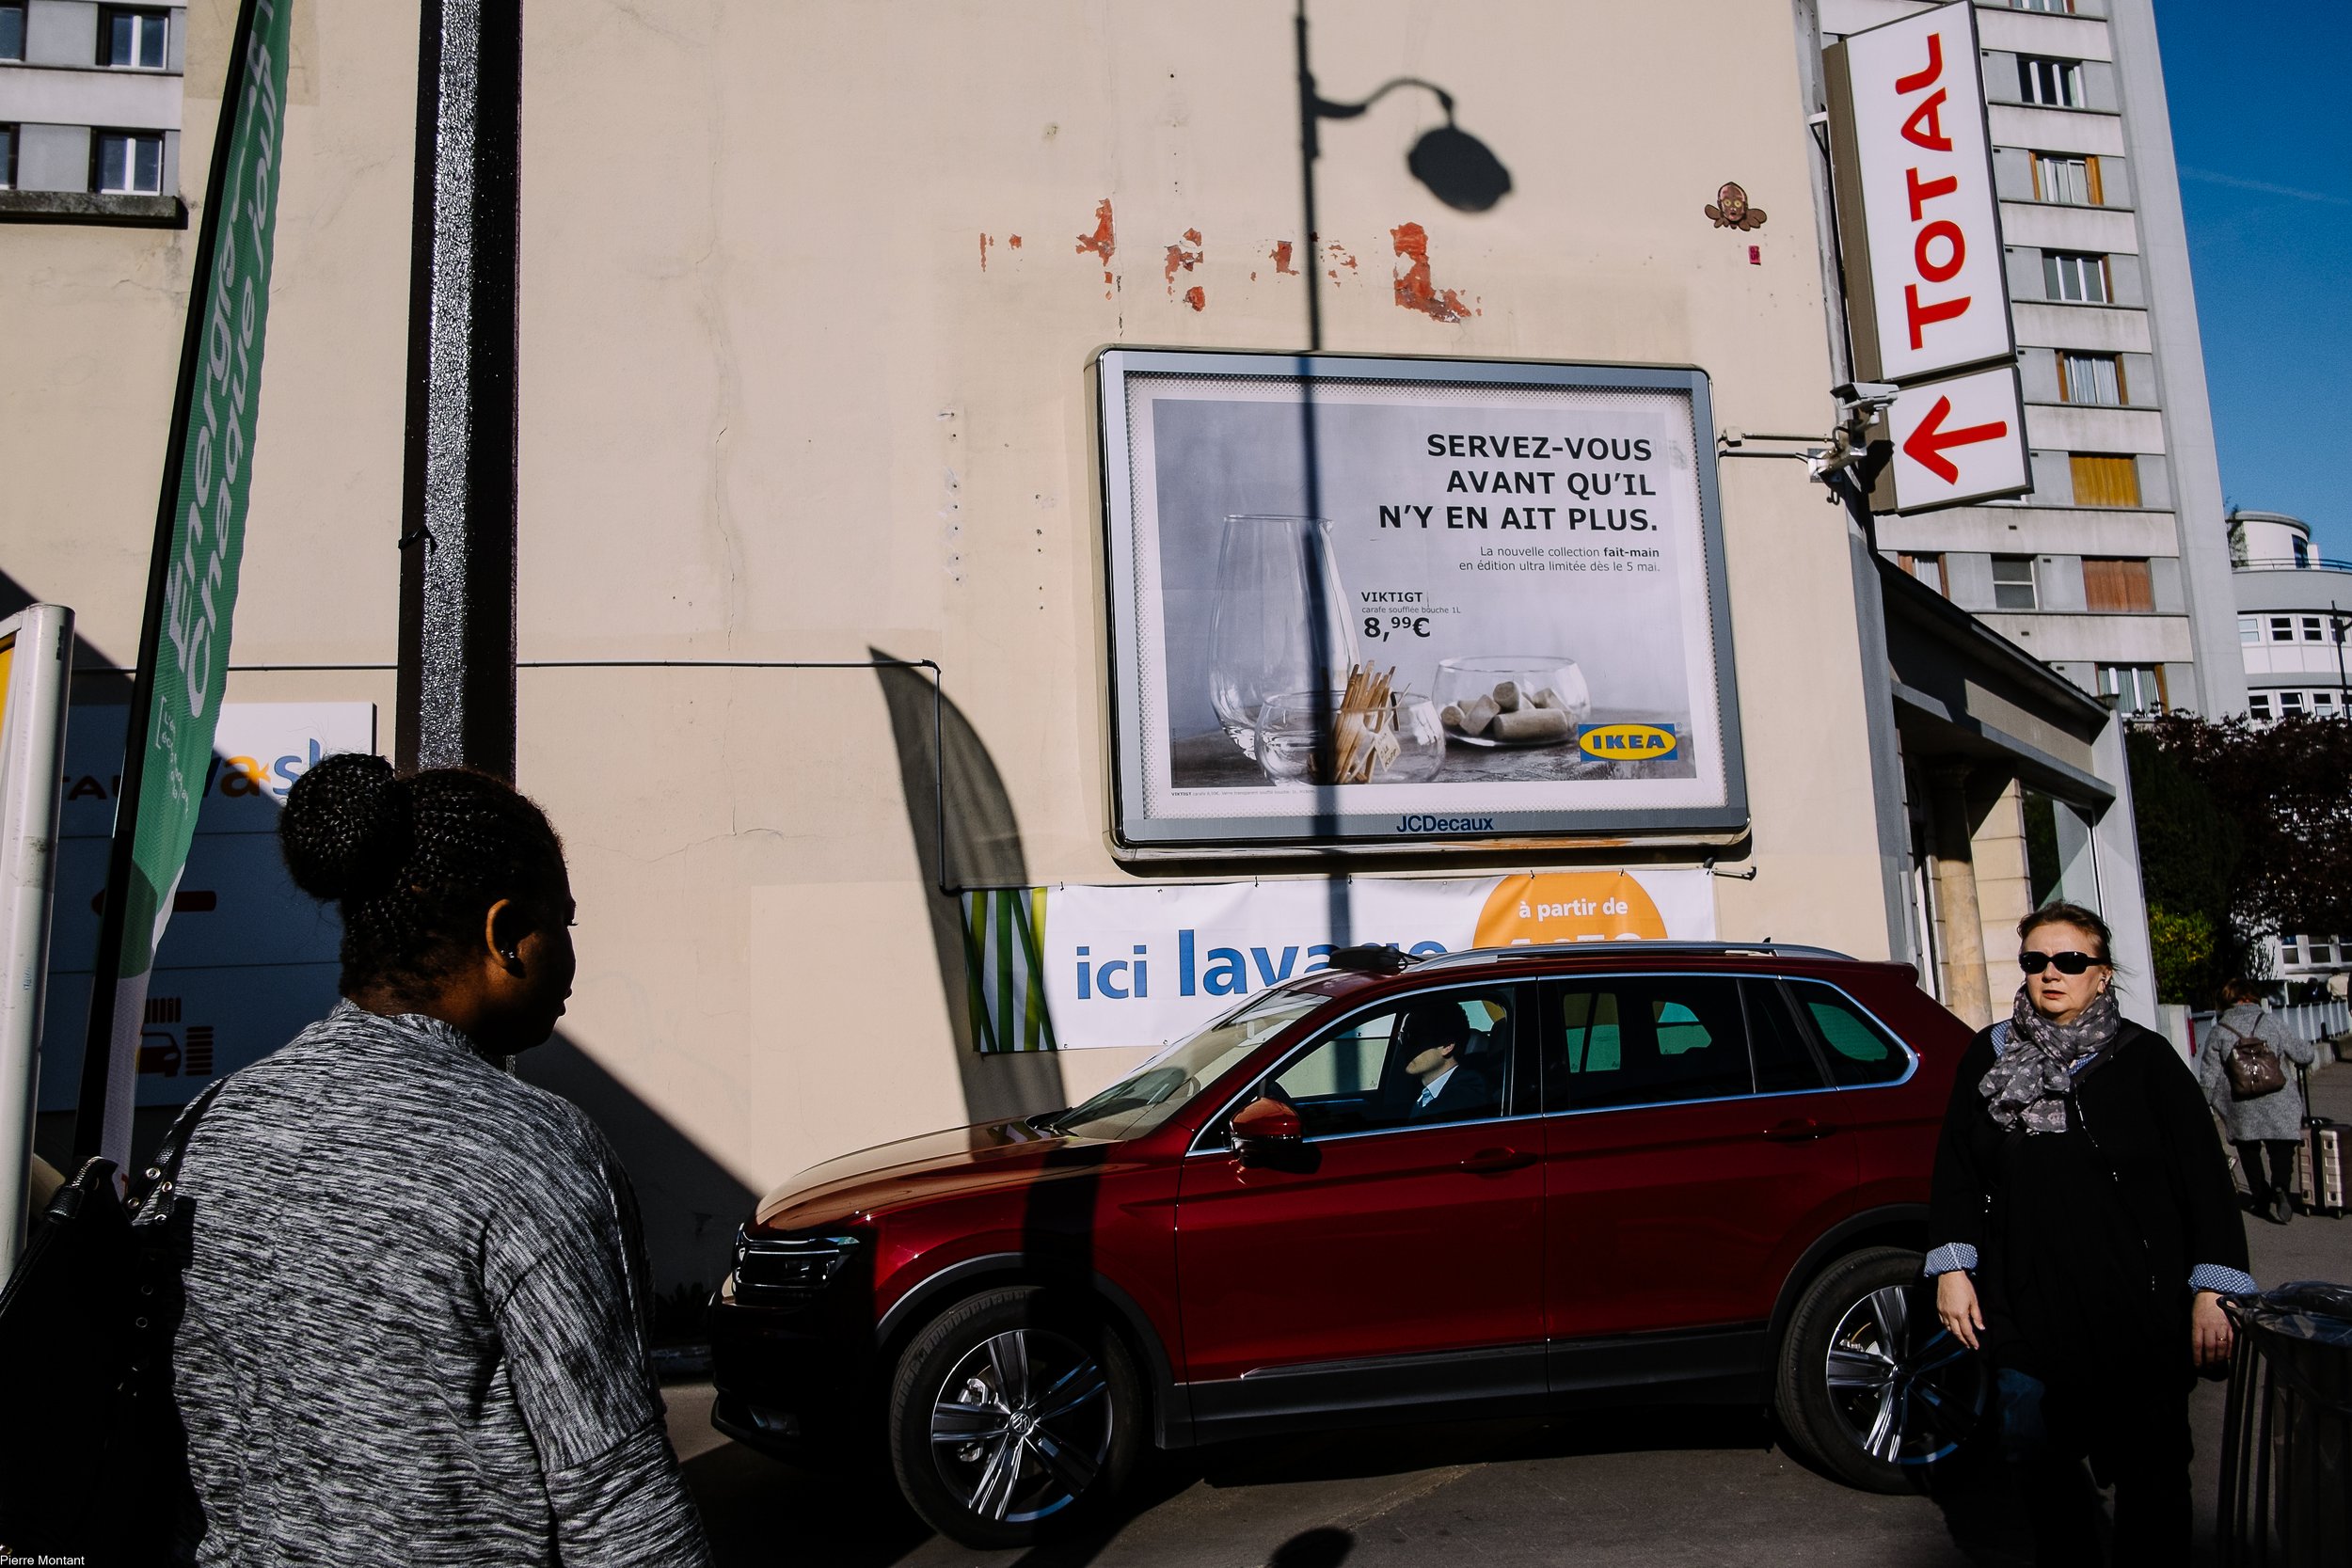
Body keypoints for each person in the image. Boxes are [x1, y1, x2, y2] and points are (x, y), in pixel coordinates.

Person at [165, 754, 712, 1566]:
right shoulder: (530, 1150)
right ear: (504, 936)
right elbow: (612, 1493)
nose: (569, 954)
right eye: (561, 920)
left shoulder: (215, 1120)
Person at [1926, 902, 2252, 1568]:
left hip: (2138, 1307)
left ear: (2101, 975)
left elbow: (2205, 1183)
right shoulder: (1989, 1056)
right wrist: (1954, 1268)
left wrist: (2213, 1288)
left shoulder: (2146, 1060)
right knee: (2033, 1456)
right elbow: (1957, 1168)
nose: (2051, 973)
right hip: (2025, 1303)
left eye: (2070, 961)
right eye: (2036, 961)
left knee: (2153, 1472)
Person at [2196, 977, 2316, 1225]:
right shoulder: (2271, 1022)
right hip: (2278, 1098)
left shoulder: (2219, 1031)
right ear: (2251, 998)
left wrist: (2201, 1104)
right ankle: (2281, 1187)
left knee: (2248, 1150)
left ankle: (2260, 1197)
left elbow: (2209, 1075)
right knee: (2281, 1146)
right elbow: (2303, 1054)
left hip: (2240, 1104)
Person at [1393, 1004, 1491, 1121]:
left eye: (1413, 1037)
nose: (1403, 1046)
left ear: (1447, 1046)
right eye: (1403, 1037)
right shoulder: (1429, 1092)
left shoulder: (1465, 1098)